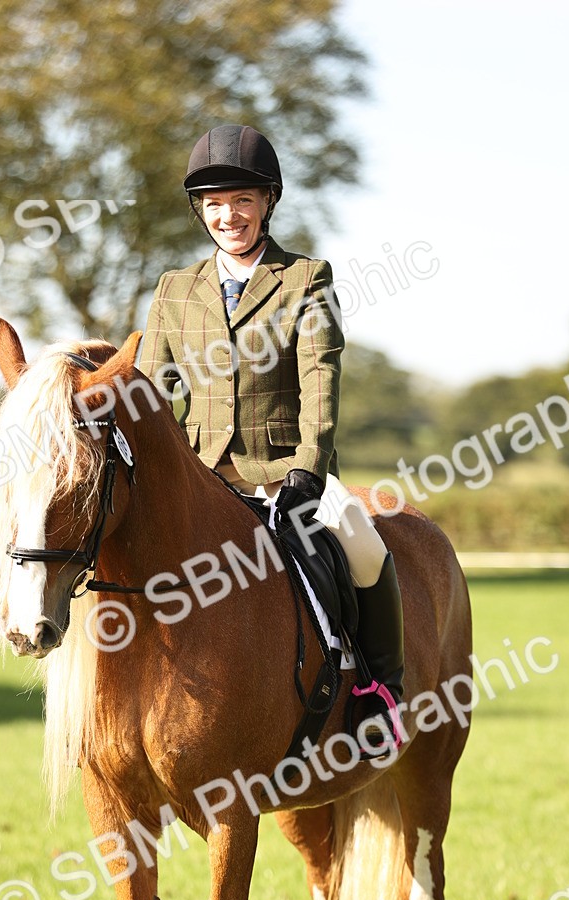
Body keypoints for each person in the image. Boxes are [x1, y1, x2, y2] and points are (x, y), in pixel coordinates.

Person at [139, 124, 404, 748]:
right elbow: (152, 393)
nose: (228, 216)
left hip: (286, 470)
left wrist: (308, 468)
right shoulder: (175, 290)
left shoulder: (306, 277)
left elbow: (319, 377)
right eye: (214, 203)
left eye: (242, 200)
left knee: (362, 543)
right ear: (200, 210)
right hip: (201, 474)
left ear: (268, 203)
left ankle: (379, 691)